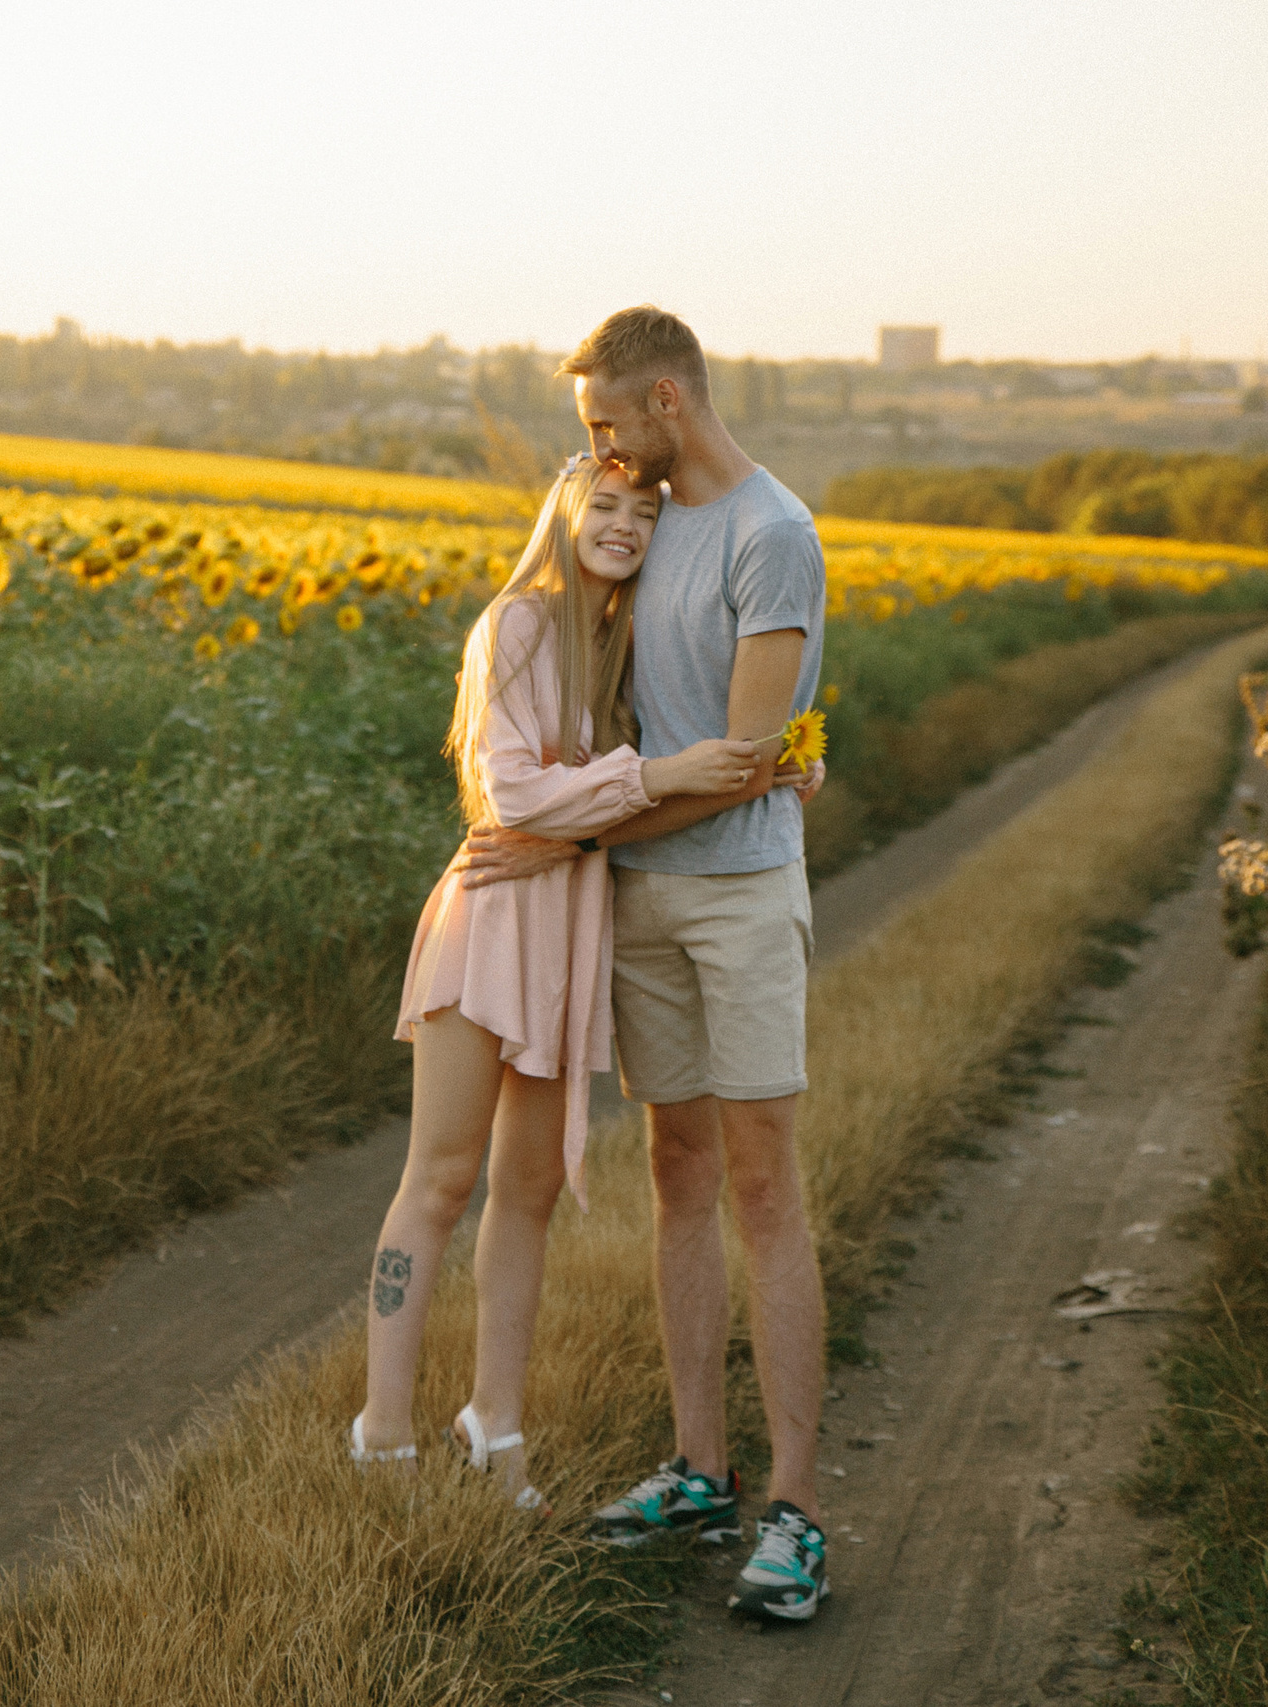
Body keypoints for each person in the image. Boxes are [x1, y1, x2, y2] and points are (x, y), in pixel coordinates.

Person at [462, 305, 832, 1623]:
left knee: (762, 1179)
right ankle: (697, 1463)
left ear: (669, 399)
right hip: (635, 902)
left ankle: (794, 1506)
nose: (601, 452)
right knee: (676, 1169)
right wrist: (571, 831)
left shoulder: (770, 535)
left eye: (609, 423)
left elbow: (740, 763)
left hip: (734, 897)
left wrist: (567, 829)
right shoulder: (646, 516)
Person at [351, 453, 778, 1510]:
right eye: (606, 503)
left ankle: (494, 1423)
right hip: (488, 922)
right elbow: (512, 792)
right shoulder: (519, 623)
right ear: (565, 508)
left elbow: (596, 813)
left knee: (529, 1192)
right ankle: (382, 1432)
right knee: (440, 1180)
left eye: (645, 512)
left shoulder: (624, 647)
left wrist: (779, 761)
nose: (624, 524)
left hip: (569, 932)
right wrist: (656, 777)